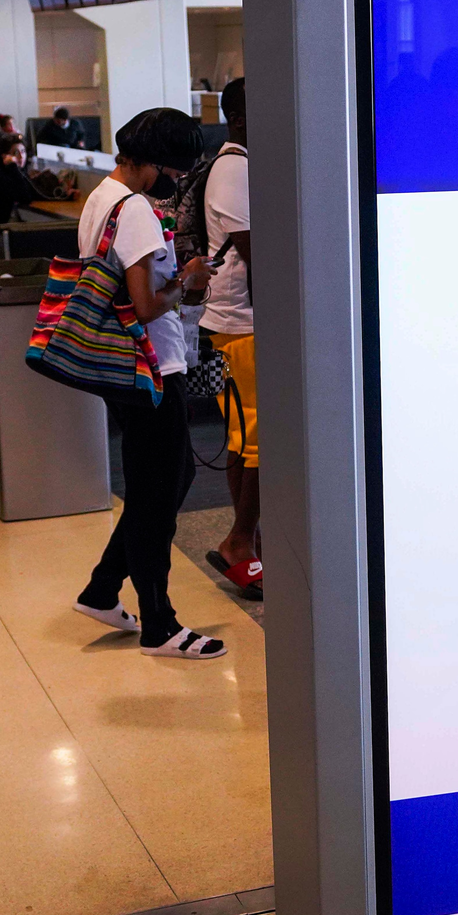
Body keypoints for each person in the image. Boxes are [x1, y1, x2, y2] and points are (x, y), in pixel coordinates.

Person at [71, 107, 226, 660]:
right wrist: (189, 281)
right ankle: (160, 625)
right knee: (158, 491)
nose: (179, 182)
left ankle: (102, 587)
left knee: (165, 477)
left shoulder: (100, 197)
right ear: (157, 164)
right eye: (177, 172)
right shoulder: (134, 208)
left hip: (126, 367)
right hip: (150, 367)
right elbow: (142, 304)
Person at [196, 79, 261, 599]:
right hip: (238, 330)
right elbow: (257, 252)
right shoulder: (234, 167)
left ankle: (249, 539)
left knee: (244, 439)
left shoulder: (236, 164)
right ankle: (240, 541)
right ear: (238, 118)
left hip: (230, 326)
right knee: (260, 444)